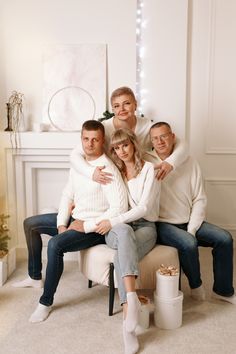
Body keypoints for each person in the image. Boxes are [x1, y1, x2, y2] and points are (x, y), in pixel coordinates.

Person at [13, 120, 128, 322]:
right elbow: (67, 194)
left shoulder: (107, 170)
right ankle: (34, 276)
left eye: (95, 140)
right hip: (75, 219)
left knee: (56, 245)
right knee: (30, 224)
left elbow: (118, 208)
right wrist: (61, 225)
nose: (90, 143)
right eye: (86, 139)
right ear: (81, 139)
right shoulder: (80, 165)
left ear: (103, 141)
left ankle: (45, 303)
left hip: (93, 228)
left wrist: (86, 225)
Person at [148, 121, 236, 304]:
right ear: (151, 141)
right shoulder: (146, 162)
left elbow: (200, 199)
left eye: (164, 136)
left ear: (173, 137)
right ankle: (196, 286)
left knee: (225, 239)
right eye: (155, 138)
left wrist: (192, 228)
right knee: (188, 243)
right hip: (162, 223)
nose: (160, 141)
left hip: (188, 219)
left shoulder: (189, 161)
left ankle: (223, 290)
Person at [95, 128, 160, 354]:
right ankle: (131, 302)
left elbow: (143, 208)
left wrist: (114, 222)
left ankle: (127, 318)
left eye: (125, 145)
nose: (121, 151)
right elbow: (95, 193)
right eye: (116, 147)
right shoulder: (115, 171)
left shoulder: (149, 169)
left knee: (123, 247)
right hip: (117, 227)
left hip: (145, 226)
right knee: (123, 234)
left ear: (133, 144)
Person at [70, 86, 188, 183]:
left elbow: (181, 143)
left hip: (138, 180)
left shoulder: (147, 126)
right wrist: (91, 173)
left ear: (135, 105)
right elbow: (75, 154)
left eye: (126, 103)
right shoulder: (105, 128)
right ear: (113, 109)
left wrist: (171, 162)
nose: (122, 109)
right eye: (117, 106)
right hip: (110, 179)